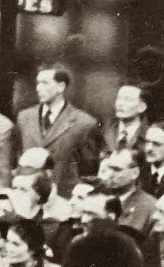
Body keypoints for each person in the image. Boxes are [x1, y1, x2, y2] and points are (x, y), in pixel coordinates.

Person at [15, 63, 102, 195]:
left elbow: (87, 171)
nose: (38, 88)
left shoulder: (84, 123)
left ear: (60, 87)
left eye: (45, 83)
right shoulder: (24, 117)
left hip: (63, 197)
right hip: (27, 196)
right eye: (38, 83)